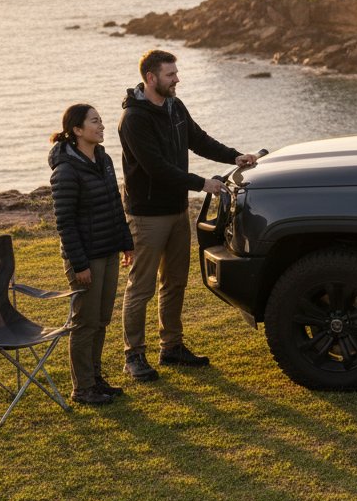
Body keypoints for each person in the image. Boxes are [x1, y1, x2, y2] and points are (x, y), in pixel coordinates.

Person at [118, 49, 257, 381]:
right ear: (151, 78)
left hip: (177, 210)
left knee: (175, 282)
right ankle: (133, 355)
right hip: (148, 215)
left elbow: (198, 140)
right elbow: (156, 168)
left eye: (176, 73)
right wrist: (202, 184)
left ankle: (172, 347)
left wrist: (234, 156)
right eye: (170, 74)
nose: (177, 79)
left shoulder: (174, 106)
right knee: (141, 287)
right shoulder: (134, 119)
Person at [49, 103, 135, 406]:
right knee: (85, 323)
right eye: (94, 122)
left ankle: (96, 380)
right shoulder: (66, 170)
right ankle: (82, 387)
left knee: (101, 320)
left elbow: (115, 203)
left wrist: (126, 243)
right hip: (85, 258)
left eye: (100, 121)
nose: (101, 126)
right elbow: (65, 222)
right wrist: (80, 264)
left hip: (109, 249)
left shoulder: (104, 159)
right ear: (77, 130)